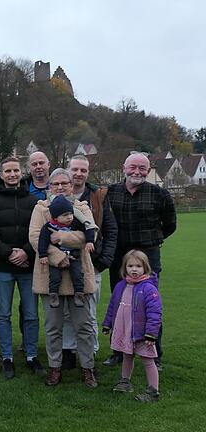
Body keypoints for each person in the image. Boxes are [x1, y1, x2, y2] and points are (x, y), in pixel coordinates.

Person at [28, 169, 99, 388]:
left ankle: (88, 368)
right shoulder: (41, 209)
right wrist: (59, 257)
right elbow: (35, 238)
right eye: (55, 184)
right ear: (49, 187)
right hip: (51, 275)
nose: (60, 187)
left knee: (84, 326)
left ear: (72, 185)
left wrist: (62, 237)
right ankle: (55, 368)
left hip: (79, 276)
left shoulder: (82, 208)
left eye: (64, 184)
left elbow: (88, 235)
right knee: (53, 327)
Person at [105, 153, 176, 369]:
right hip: (119, 256)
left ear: (148, 170)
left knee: (150, 306)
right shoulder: (111, 192)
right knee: (120, 304)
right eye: (133, 167)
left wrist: (151, 240)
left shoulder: (160, 194)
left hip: (148, 256)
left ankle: (155, 355)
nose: (137, 172)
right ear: (124, 168)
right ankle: (118, 351)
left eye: (142, 168)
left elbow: (170, 224)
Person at [0, 156, 44, 379]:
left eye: (16, 170)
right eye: (8, 171)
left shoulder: (34, 202)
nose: (12, 175)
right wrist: (9, 253)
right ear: (1, 174)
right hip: (2, 267)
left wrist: (26, 251)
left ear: (21, 172)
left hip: (28, 266)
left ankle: (31, 355)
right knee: (3, 314)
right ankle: (7, 357)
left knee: (31, 314)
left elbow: (40, 232)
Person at [60, 155, 117, 370]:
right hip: (64, 264)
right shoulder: (58, 195)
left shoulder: (98, 196)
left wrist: (104, 261)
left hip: (91, 264)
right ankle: (68, 352)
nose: (78, 173)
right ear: (68, 170)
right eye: (75, 169)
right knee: (66, 312)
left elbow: (111, 230)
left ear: (88, 172)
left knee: (89, 311)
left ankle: (89, 354)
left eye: (83, 170)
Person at [102, 250, 162, 402]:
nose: (134, 269)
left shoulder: (149, 288)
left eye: (138, 266)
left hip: (142, 333)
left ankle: (153, 391)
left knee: (148, 360)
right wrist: (108, 324)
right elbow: (113, 307)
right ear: (124, 268)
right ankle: (125, 382)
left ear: (145, 268)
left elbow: (155, 313)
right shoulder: (120, 286)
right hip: (125, 330)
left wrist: (151, 333)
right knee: (127, 355)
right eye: (130, 266)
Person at [37, 194, 96, 308]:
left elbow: (89, 228)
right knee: (54, 277)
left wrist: (89, 241)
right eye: (65, 215)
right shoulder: (48, 227)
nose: (69, 217)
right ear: (55, 217)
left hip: (74, 255)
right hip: (57, 258)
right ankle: (53, 294)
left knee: (78, 275)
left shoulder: (75, 223)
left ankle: (79, 294)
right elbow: (42, 240)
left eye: (70, 214)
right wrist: (42, 254)